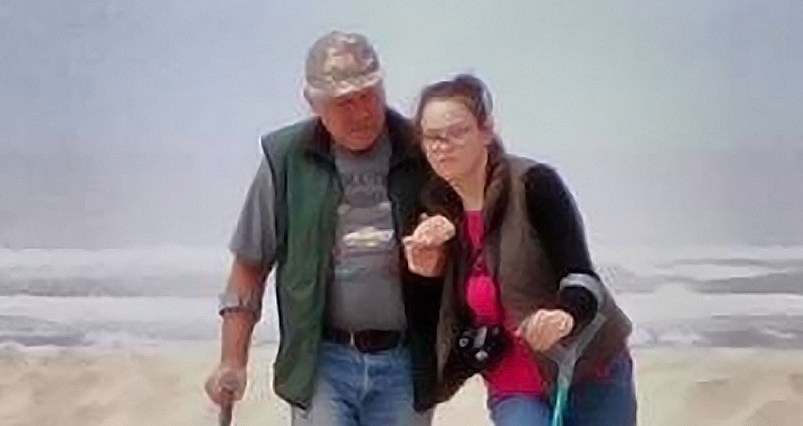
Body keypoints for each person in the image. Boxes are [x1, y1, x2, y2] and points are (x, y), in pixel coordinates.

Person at [203, 30, 444, 426]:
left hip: (404, 362)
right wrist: (232, 361)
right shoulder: (286, 159)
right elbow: (250, 263)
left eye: (368, 95)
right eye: (344, 102)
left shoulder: (420, 150)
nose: (361, 112)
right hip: (323, 362)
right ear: (313, 103)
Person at [401, 73, 638, 426]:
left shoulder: (532, 184)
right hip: (513, 386)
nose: (443, 146)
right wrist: (424, 275)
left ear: (485, 131)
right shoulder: (432, 211)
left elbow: (580, 275)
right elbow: (437, 324)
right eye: (432, 137)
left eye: (457, 132)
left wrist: (564, 314)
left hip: (587, 371)